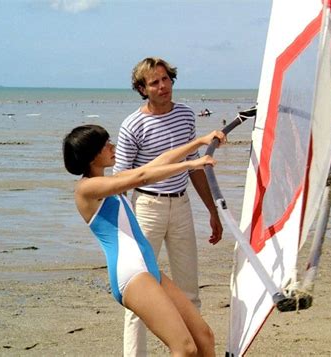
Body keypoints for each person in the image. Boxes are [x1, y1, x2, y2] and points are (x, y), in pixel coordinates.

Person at [63, 124, 226, 356]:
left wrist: (199, 141)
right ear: (92, 155)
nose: (112, 146)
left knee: (204, 337)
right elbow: (142, 177)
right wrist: (191, 164)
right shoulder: (87, 189)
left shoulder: (111, 182)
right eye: (106, 144)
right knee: (185, 347)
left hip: (149, 271)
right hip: (130, 275)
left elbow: (157, 164)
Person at [113, 57, 223, 356]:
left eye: (166, 79)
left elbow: (194, 168)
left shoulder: (186, 116)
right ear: (142, 89)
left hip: (182, 206)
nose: (163, 86)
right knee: (140, 298)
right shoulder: (132, 125)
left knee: (189, 292)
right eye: (154, 82)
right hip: (147, 208)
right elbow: (120, 179)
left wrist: (212, 211)